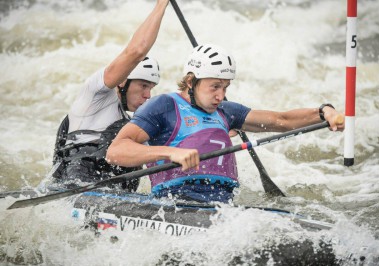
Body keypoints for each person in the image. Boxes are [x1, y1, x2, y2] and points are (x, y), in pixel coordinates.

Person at [106, 44, 345, 201]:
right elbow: (116, 151)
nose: (221, 96)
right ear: (191, 81)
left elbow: (281, 120)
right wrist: (171, 153)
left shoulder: (226, 112)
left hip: (222, 206)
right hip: (175, 202)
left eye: (225, 87)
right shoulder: (164, 106)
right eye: (214, 87)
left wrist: (324, 112)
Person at [51, 0, 170, 191]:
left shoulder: (134, 126)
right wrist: (161, 5)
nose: (148, 95)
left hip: (117, 199)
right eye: (143, 86)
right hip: (76, 188)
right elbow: (136, 51)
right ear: (123, 82)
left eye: (151, 88)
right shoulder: (94, 94)